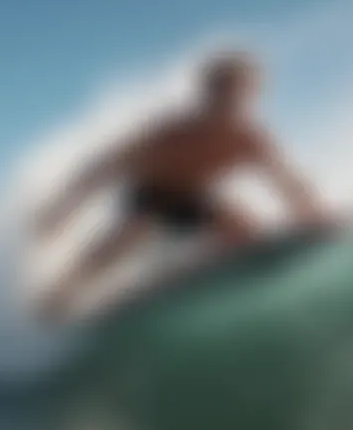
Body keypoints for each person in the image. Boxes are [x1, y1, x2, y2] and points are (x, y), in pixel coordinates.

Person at [34, 51, 333, 319]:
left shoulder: (249, 139)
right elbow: (105, 164)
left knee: (243, 227)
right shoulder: (173, 129)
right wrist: (62, 209)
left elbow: (285, 180)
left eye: (241, 92)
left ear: (252, 94)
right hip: (151, 193)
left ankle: (195, 269)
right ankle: (61, 294)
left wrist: (313, 214)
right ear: (206, 92)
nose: (231, 100)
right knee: (128, 235)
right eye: (222, 91)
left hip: (194, 197)